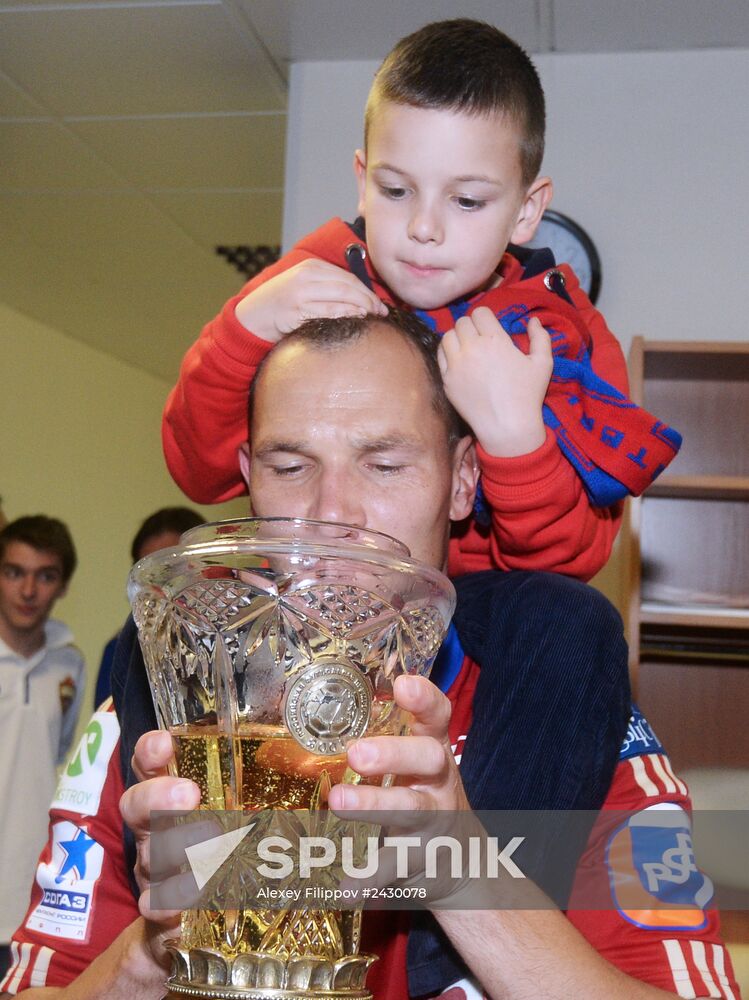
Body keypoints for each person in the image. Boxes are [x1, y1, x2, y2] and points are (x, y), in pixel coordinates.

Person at [2, 315, 737, 999]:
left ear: (462, 481)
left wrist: (461, 878)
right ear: (248, 476)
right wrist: (152, 947)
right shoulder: (169, 721)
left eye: (384, 465)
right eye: (290, 467)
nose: (333, 513)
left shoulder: (563, 705)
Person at [162, 18, 681, 581]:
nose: (423, 227)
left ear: (528, 210)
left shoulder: (559, 337)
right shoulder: (311, 277)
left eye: (467, 200)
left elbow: (568, 568)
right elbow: (198, 472)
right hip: (318, 596)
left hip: (475, 625)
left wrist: (517, 442)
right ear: (362, 182)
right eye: (395, 190)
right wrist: (245, 329)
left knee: (575, 625)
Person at [0, 516, 84, 980]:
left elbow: (59, 753)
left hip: (29, 892)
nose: (28, 590)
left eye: (45, 575)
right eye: (14, 572)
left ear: (63, 585)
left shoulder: (69, 663)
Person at [93, 507, 205, 707]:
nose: (159, 584)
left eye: (171, 569)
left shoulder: (237, 645)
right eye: (149, 573)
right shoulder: (121, 651)